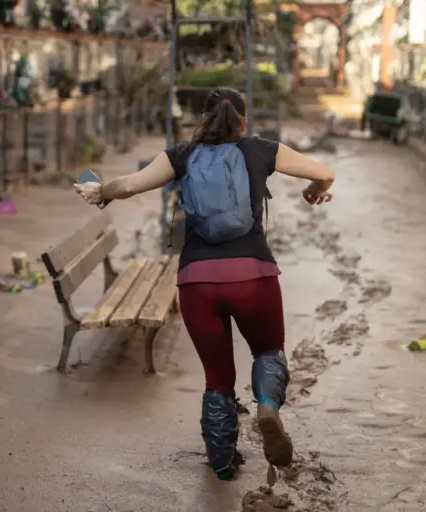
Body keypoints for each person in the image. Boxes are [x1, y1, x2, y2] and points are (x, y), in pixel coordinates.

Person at [73, 87, 335, 481]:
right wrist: (313, 193)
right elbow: (324, 173)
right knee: (267, 350)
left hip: (198, 281)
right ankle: (266, 405)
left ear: (205, 119)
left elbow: (128, 186)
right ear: (243, 121)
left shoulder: (181, 154)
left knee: (217, 378)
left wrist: (100, 192)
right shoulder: (261, 149)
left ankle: (222, 462)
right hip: (254, 276)